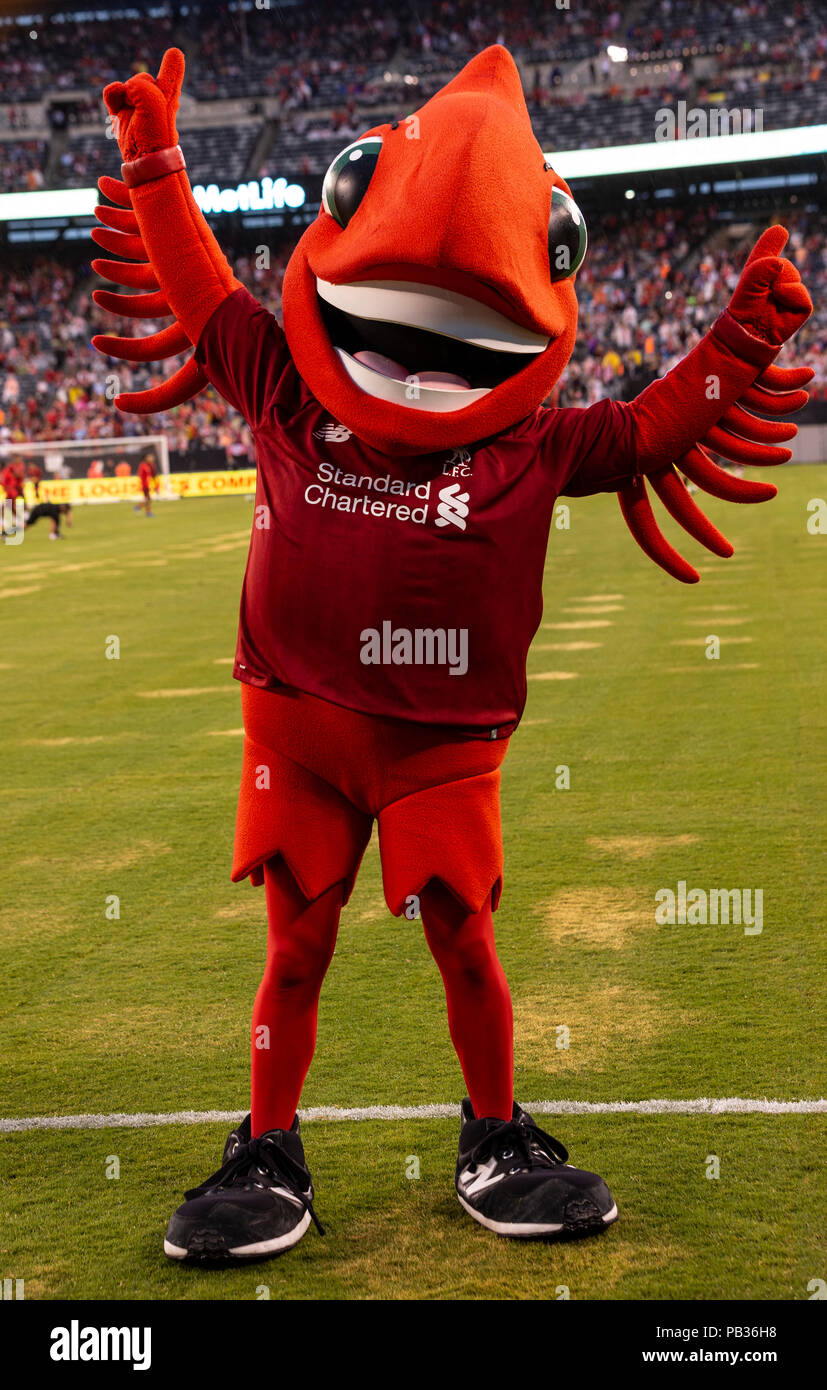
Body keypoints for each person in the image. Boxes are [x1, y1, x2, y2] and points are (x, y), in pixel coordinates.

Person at [94, 46, 811, 1264]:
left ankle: (492, 1133)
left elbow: (649, 429)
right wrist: (157, 167)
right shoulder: (283, 386)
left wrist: (740, 339)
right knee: (294, 951)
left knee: (463, 941)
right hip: (299, 734)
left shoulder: (530, 443)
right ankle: (267, 1144)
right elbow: (210, 295)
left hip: (441, 749)